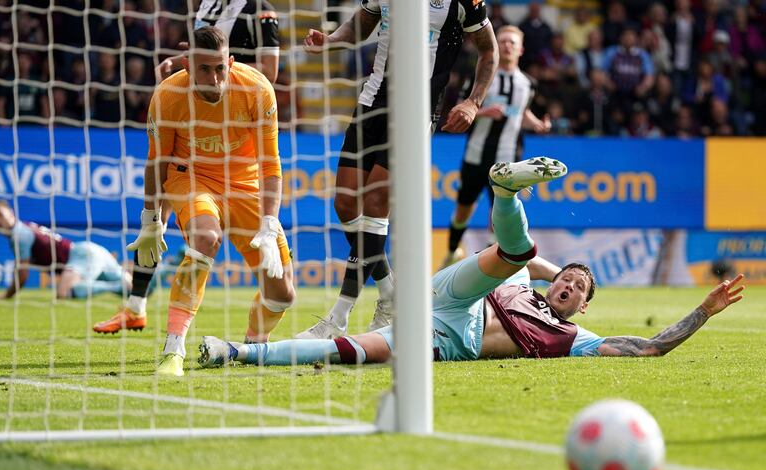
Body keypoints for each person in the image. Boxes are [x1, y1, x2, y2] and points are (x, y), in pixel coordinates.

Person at [197, 157, 745, 366]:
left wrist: (704, 310)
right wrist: (545, 269)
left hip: (447, 339)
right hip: (458, 296)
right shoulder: (530, 285)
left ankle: (240, 352)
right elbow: (533, 270)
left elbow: (649, 346)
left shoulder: (574, 340)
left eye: (579, 289)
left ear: (581, 308)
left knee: (348, 354)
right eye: (570, 279)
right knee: (514, 259)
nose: (571, 288)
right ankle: (504, 193)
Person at [296, 0, 499, 340]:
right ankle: (391, 294)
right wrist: (332, 40)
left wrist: (471, 102)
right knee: (345, 206)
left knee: (376, 205)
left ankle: (337, 319)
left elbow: (488, 50)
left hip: (416, 110)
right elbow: (362, 24)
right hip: (371, 101)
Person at [93, 0, 280, 335]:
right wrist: (185, 64)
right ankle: (137, 305)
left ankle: (138, 306)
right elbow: (202, 52)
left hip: (232, 122)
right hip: (193, 117)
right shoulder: (207, 5)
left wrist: (209, 66)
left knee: (165, 214)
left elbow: (269, 69)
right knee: (154, 219)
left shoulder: (258, 9)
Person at [128, 26, 294, 377]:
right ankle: (174, 348)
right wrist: (150, 218)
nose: (215, 78)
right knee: (206, 238)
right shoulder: (168, 95)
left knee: (282, 294)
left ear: (230, 61)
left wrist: (268, 223)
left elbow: (271, 165)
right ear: (187, 64)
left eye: (220, 68)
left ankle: (249, 346)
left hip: (246, 184)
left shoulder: (257, 89)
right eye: (204, 69)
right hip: (193, 178)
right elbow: (157, 163)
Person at [440, 25, 550, 269]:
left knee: (499, 212)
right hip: (476, 154)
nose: (507, 45)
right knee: (463, 209)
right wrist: (483, 112)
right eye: (503, 41)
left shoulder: (527, 84)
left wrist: (537, 125)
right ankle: (451, 251)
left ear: (521, 49)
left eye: (512, 42)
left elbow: (522, 113)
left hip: (506, 160)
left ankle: (490, 262)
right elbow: (459, 109)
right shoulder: (482, 76)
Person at [0, 200, 131, 300]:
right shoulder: (25, 228)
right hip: (91, 252)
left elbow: (22, 274)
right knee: (133, 288)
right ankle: (143, 281)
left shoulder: (19, 235)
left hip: (82, 256)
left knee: (64, 292)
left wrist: (6, 296)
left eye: (0, 214)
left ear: (11, 213)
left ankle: (118, 286)